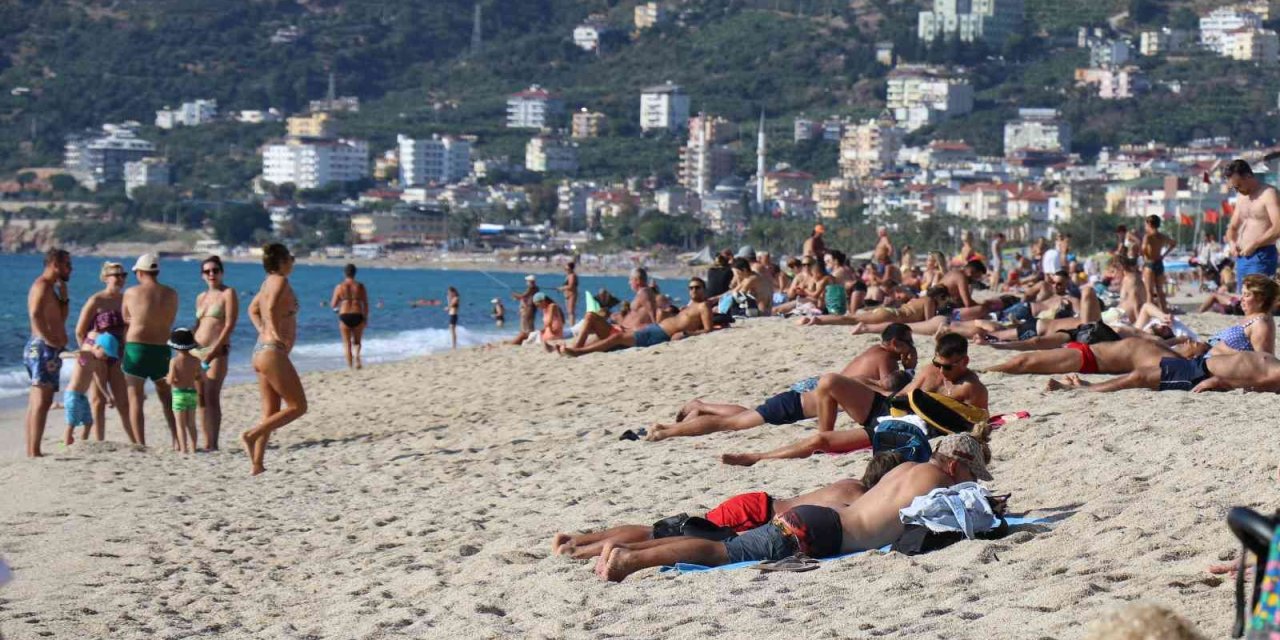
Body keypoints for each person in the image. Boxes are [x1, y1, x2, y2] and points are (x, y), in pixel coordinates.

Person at [592, 432, 993, 582]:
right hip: (824, 533)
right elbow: (965, 519)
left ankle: (628, 551)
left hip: (819, 520)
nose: (970, 483)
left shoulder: (907, 466)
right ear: (956, 465)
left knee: (727, 545)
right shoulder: (942, 485)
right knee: (720, 552)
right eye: (970, 475)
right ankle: (627, 561)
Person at [552, 452, 906, 559]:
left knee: (671, 527)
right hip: (758, 515)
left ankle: (580, 539)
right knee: (666, 531)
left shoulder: (847, 483)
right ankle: (583, 549)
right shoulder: (860, 498)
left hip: (758, 502)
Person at [722, 333, 988, 466]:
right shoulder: (931, 370)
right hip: (888, 409)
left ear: (964, 361)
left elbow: (975, 429)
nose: (941, 371)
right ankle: (825, 439)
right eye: (937, 364)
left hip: (904, 428)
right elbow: (902, 396)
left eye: (948, 367)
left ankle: (757, 457)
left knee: (819, 441)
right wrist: (873, 388)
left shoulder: (974, 389)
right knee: (829, 381)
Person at [646, 325, 916, 441]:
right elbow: (883, 388)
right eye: (908, 342)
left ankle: (700, 406)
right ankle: (667, 431)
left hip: (804, 393)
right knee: (735, 423)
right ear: (894, 343)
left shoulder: (876, 352)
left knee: (747, 414)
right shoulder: (886, 358)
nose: (910, 347)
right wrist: (905, 368)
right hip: (798, 403)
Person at [242, 244, 308, 476]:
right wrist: (275, 333)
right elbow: (268, 308)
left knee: (271, 411)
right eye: (290, 257)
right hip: (271, 351)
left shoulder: (266, 282)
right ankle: (251, 435)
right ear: (281, 261)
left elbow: (252, 309)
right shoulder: (279, 280)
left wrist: (263, 330)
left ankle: (257, 464)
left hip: (260, 349)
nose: (293, 261)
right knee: (298, 406)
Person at [560, 278, 712, 357]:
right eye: (690, 287)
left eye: (697, 287)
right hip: (655, 329)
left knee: (617, 338)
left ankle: (580, 352)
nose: (693, 290)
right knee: (608, 334)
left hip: (660, 335)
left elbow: (708, 329)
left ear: (704, 289)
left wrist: (687, 334)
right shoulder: (691, 305)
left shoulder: (703, 306)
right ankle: (577, 348)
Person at [121, 253, 180, 448]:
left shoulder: (131, 293)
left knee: (135, 398)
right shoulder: (172, 294)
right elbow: (170, 319)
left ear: (140, 272)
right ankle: (177, 440)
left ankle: (140, 443)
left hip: (136, 348)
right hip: (161, 348)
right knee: (167, 397)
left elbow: (126, 317)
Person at [73, 261, 132, 443]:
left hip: (119, 354)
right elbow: (80, 331)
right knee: (98, 400)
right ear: (106, 278)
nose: (121, 279)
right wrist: (89, 355)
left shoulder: (127, 299)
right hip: (97, 354)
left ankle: (135, 440)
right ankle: (100, 441)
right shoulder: (96, 300)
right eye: (117, 275)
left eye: (124, 275)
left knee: (123, 400)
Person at [25, 249, 72, 457]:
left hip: (49, 350)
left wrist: (64, 298)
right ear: (55, 264)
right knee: (41, 401)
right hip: (42, 349)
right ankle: (34, 451)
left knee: (40, 401)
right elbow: (34, 313)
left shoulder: (52, 288)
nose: (71, 269)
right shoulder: (42, 285)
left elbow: (60, 318)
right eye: (67, 265)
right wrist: (47, 338)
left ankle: (32, 450)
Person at [194, 256, 238, 450]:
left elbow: (229, 325)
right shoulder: (200, 297)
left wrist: (214, 350)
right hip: (197, 351)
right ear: (202, 275)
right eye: (207, 271)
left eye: (215, 270)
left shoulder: (228, 293)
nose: (211, 274)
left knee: (212, 395)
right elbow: (199, 325)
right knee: (200, 398)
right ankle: (206, 441)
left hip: (217, 350)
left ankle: (214, 442)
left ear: (221, 272)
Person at [982, 336, 1185, 376]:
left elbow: (1146, 375)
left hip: (1088, 358)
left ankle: (983, 371)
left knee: (1023, 362)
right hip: (1085, 349)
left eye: (1195, 345)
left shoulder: (1172, 361)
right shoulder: (1166, 349)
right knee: (1027, 356)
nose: (1190, 342)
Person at [1225, 159, 1280, 290]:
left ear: (1248, 176)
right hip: (1242, 257)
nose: (1237, 189)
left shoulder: (1268, 194)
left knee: (1259, 298)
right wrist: (1231, 243)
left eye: (1238, 185)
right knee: (1245, 300)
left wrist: (1254, 244)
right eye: (1234, 187)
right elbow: (1232, 227)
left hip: (1262, 254)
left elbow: (1278, 227)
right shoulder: (1241, 197)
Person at [63, 333, 119, 447]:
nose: (106, 358)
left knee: (88, 422)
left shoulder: (97, 363)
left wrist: (108, 396)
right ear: (97, 347)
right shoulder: (85, 355)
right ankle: (64, 446)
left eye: (108, 356)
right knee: (71, 423)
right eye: (105, 354)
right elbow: (62, 354)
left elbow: (99, 381)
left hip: (82, 396)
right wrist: (74, 355)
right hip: (72, 394)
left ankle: (83, 443)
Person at [165, 328, 203, 454]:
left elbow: (170, 380)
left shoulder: (174, 361)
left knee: (180, 424)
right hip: (192, 392)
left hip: (179, 393)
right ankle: (193, 447)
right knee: (191, 423)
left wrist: (167, 379)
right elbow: (199, 376)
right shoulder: (196, 360)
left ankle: (183, 449)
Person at [330, 263, 368, 369]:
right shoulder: (360, 286)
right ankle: (357, 357)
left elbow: (333, 304)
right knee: (357, 341)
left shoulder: (339, 287)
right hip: (357, 313)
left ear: (344, 273)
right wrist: (365, 318)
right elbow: (365, 303)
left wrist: (337, 310)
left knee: (347, 343)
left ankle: (350, 366)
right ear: (355, 273)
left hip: (344, 314)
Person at [1141, 215, 1176, 311]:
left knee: (1149, 292)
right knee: (1160, 291)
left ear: (1149, 224)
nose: (1145, 226)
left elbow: (1143, 248)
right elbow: (1173, 243)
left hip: (1150, 263)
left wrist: (1145, 256)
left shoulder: (1147, 236)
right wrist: (1163, 255)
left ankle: (1150, 314)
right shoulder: (1162, 236)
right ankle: (1164, 311)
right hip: (1159, 263)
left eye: (1146, 224)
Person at [560, 261, 579, 326]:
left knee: (571, 312)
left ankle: (572, 326)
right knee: (569, 312)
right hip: (567, 295)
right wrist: (562, 289)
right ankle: (571, 325)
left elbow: (571, 286)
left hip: (572, 295)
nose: (566, 270)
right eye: (565, 269)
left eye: (567, 269)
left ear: (571, 268)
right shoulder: (568, 275)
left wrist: (562, 288)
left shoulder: (572, 276)